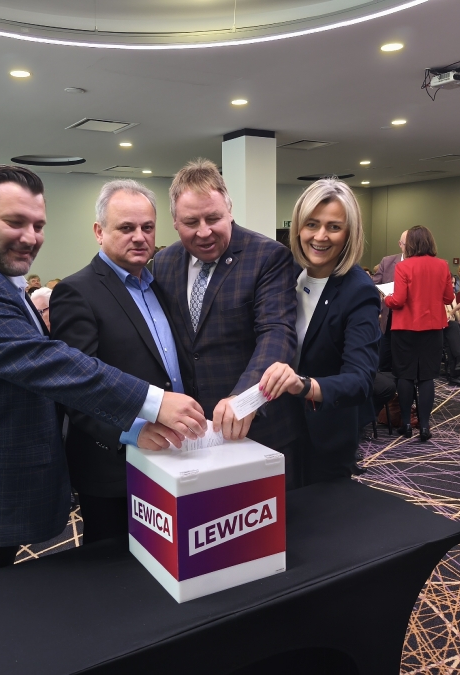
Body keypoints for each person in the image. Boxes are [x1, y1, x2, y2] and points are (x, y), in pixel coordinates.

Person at [0, 165, 205, 586]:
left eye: (38, 225)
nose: (30, 237)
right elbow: (48, 362)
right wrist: (154, 401)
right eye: (15, 222)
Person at [51, 180, 192, 542]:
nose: (139, 237)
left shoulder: (158, 285)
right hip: (114, 466)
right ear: (99, 232)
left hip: (171, 455)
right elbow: (74, 387)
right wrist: (132, 431)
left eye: (147, 227)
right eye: (126, 228)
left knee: (170, 555)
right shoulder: (76, 291)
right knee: (115, 566)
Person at [152, 159, 303, 481]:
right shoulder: (163, 262)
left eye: (214, 218)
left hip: (259, 428)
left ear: (229, 211)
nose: (204, 232)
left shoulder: (268, 256)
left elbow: (276, 332)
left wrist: (245, 398)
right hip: (193, 434)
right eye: (191, 222)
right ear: (175, 222)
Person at [256, 179, 380, 484]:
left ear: (349, 233)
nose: (320, 236)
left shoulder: (358, 290)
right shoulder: (286, 273)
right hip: (277, 429)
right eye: (312, 224)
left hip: (323, 436)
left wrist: (303, 385)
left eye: (334, 227)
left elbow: (360, 380)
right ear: (298, 227)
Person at [383, 226, 454, 442]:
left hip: (405, 328)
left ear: (410, 244)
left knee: (405, 376)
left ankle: (406, 424)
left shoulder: (403, 266)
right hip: (433, 328)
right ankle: (424, 426)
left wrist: (386, 299)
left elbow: (398, 300)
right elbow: (449, 298)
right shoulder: (442, 265)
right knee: (427, 377)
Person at [372, 230, 407, 370]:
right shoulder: (387, 262)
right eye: (407, 244)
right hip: (389, 317)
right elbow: (373, 285)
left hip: (409, 319)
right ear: (400, 244)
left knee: (404, 363)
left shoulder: (419, 264)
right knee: (384, 361)